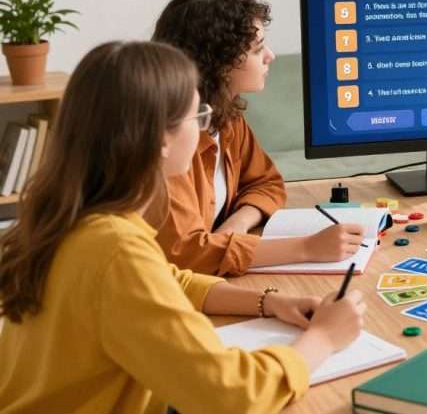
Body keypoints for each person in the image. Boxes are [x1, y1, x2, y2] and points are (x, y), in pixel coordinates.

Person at [0, 41, 367, 413]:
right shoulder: (115, 249)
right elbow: (230, 397)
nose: (205, 129)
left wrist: (269, 302)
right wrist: (324, 338)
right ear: (161, 138)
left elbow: (168, 280)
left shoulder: (73, 218)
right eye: (198, 117)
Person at [152, 0, 365, 276]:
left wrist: (235, 226)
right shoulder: (170, 144)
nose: (270, 56)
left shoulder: (227, 117)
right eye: (256, 49)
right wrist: (307, 248)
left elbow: (267, 182)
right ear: (218, 63)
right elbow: (187, 254)